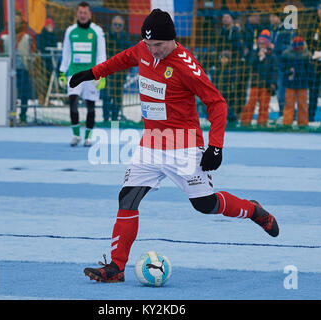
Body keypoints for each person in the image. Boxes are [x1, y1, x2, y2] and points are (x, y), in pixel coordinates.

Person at [69, 9, 279, 283]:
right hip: (151, 142)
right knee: (127, 198)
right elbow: (122, 60)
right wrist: (92, 73)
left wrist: (215, 146)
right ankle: (116, 267)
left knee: (205, 204)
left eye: (158, 45)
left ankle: (253, 210)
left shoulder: (186, 65)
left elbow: (217, 103)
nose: (153, 50)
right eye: (148, 44)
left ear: (172, 40)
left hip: (183, 145)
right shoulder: (143, 49)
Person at [58, 2, 106, 147]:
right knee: (72, 101)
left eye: (85, 13)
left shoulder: (97, 31)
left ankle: (88, 137)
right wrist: (62, 72)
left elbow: (101, 53)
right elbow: (66, 52)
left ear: (90, 14)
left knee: (90, 105)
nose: (82, 15)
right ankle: (76, 135)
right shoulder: (70, 31)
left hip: (91, 74)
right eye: (80, 12)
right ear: (77, 14)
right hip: (73, 73)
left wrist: (101, 74)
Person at [0, 11, 37, 124]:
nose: (15, 21)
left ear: (21, 20)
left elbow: (33, 48)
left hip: (23, 68)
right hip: (8, 68)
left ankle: (23, 115)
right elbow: (0, 48)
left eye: (17, 19)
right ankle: (11, 115)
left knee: (24, 94)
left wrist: (31, 63)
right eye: (13, 19)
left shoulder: (28, 34)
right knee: (10, 95)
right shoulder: (4, 34)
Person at [240, 30, 278, 126]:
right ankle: (245, 122)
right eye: (260, 43)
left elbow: (274, 70)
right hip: (255, 83)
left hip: (266, 84)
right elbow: (251, 65)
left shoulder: (272, 56)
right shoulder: (254, 54)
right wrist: (258, 58)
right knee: (251, 104)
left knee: (264, 105)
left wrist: (273, 83)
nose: (261, 45)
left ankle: (262, 122)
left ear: (267, 44)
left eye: (263, 43)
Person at [101, 15, 131, 122]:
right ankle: (105, 120)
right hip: (108, 72)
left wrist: (127, 71)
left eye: (119, 25)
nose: (117, 27)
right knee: (107, 96)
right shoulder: (106, 37)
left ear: (122, 26)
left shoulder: (126, 38)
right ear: (112, 25)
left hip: (120, 74)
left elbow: (130, 56)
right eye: (115, 24)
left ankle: (114, 120)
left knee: (117, 98)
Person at [281, 36, 315, 127]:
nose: (298, 50)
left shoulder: (307, 56)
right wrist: (289, 71)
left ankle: (303, 123)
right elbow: (282, 68)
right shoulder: (287, 55)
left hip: (302, 84)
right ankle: (287, 123)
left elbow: (310, 71)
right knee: (289, 105)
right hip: (290, 83)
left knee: (302, 105)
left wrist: (310, 82)